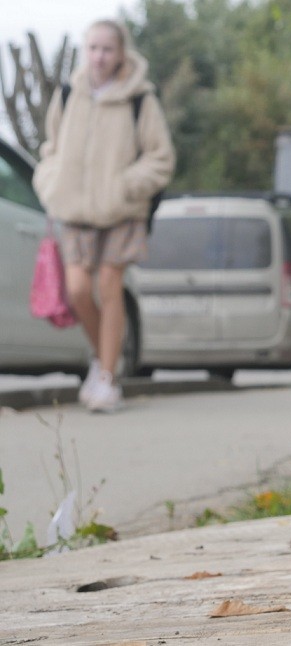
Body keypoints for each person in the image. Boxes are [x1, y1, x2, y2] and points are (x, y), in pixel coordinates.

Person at [33, 19, 175, 413]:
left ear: (121, 53)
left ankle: (108, 380)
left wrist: (126, 184)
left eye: (107, 49)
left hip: (121, 211)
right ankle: (104, 358)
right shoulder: (68, 94)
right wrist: (50, 182)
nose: (99, 56)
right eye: (93, 48)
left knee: (110, 287)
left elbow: (161, 158)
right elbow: (51, 148)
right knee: (78, 291)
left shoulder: (140, 99)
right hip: (75, 210)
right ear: (85, 50)